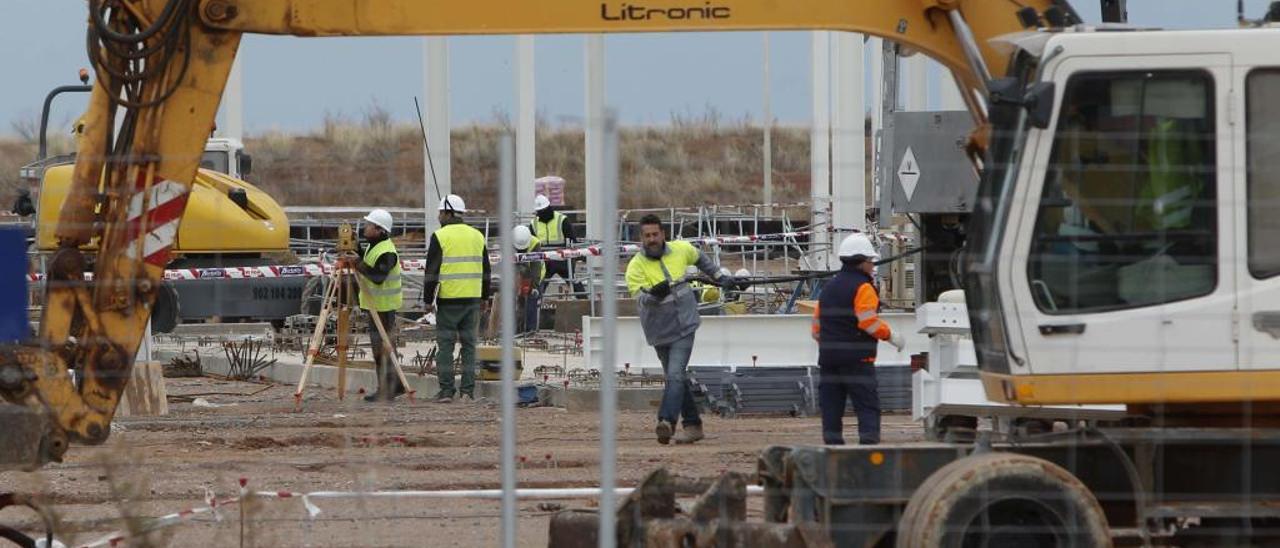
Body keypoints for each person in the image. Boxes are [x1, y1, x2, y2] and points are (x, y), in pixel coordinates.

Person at [625, 214, 734, 445]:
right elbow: (639, 298)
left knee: (674, 375)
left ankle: (666, 421)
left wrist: (718, 276)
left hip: (684, 326)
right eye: (647, 236)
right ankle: (693, 426)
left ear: (663, 234)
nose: (652, 239)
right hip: (658, 332)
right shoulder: (635, 266)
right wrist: (653, 295)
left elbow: (701, 258)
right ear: (641, 239)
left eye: (655, 234)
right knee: (676, 378)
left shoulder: (681, 249)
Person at [811, 233, 905, 445]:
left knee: (831, 409)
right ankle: (868, 452)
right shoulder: (864, 288)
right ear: (862, 262)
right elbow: (867, 322)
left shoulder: (827, 289)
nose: (873, 267)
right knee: (867, 407)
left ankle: (833, 452)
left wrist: (832, 346)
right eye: (871, 262)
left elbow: (816, 329)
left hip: (829, 361)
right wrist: (891, 336)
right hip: (858, 362)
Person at [422, 194, 492, 402]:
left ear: (448, 212)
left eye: (440, 212)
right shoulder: (477, 236)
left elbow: (431, 271)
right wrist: (485, 297)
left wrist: (427, 300)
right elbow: (486, 269)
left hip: (449, 299)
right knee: (470, 347)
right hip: (472, 299)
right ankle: (467, 392)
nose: (438, 216)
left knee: (446, 346)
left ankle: (446, 391)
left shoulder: (440, 236)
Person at [350, 208, 405, 402]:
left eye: (369, 225)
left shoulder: (388, 252)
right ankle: (394, 386)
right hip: (376, 306)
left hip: (383, 307)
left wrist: (356, 262)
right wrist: (358, 250)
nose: (365, 228)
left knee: (382, 349)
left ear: (380, 230)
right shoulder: (375, 246)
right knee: (383, 348)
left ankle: (388, 389)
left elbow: (378, 276)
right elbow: (370, 260)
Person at [531, 193, 585, 298]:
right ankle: (536, 307)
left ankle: (585, 303)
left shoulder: (562, 220)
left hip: (563, 259)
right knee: (539, 287)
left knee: (574, 282)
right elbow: (532, 243)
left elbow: (572, 239)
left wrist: (577, 255)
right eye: (540, 211)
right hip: (545, 260)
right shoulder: (534, 223)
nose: (541, 213)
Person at [512, 225, 545, 334]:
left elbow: (536, 268)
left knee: (532, 299)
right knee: (516, 300)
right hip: (518, 273)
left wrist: (534, 287)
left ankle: (530, 330)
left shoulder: (535, 243)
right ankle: (516, 329)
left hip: (535, 274)